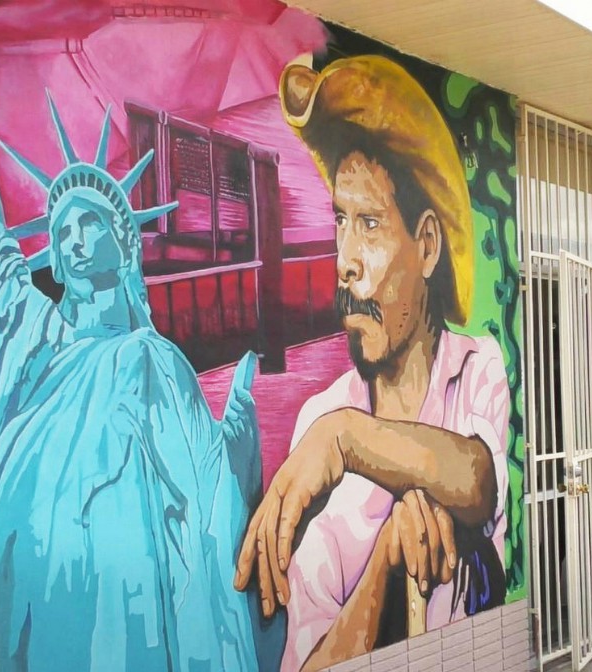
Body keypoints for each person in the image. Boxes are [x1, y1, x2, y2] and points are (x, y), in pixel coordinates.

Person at [0, 1, 279, 670]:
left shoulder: (153, 363)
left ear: (123, 246)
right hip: (32, 610)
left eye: (88, 222)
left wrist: (238, 441)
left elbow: (208, 506)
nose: (69, 238)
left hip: (126, 624)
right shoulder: (32, 348)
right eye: (62, 227)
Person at [233, 55, 511, 671]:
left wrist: (349, 444)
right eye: (339, 222)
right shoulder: (319, 416)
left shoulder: (475, 369)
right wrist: (387, 558)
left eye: (371, 224)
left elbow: (476, 481)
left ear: (428, 245)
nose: (345, 262)